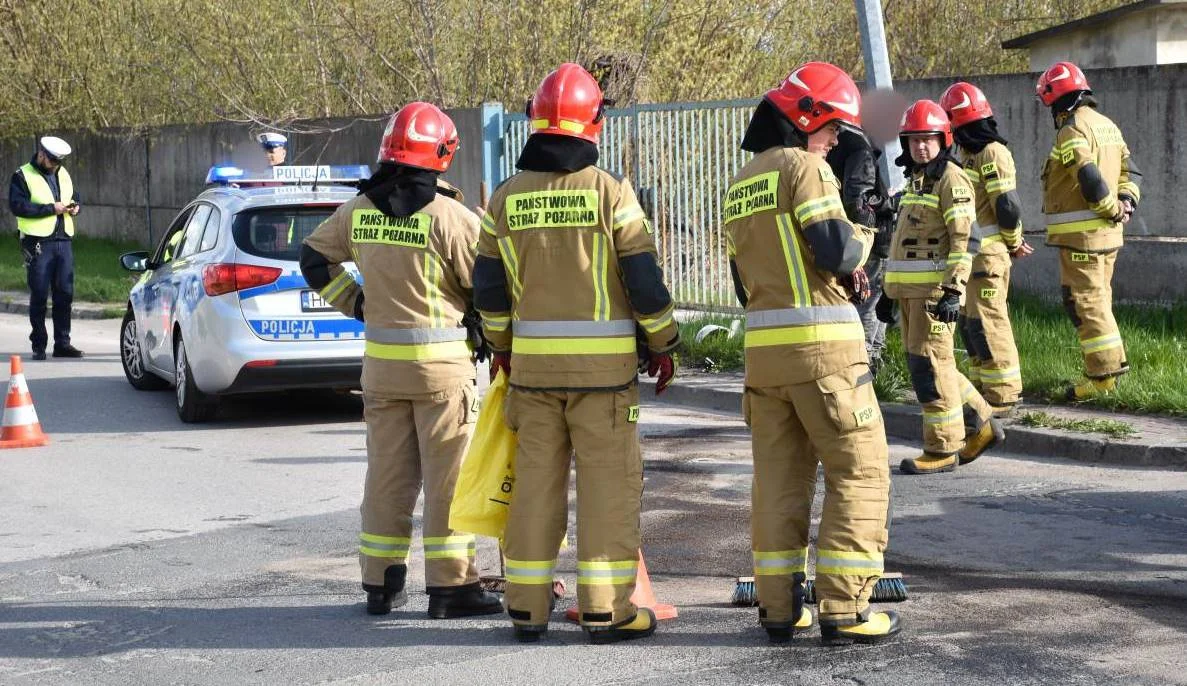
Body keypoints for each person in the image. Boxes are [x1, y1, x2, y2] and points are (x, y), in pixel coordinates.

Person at [473, 63, 679, 645]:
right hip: (605, 384)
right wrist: (664, 344)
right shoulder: (611, 193)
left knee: (534, 490)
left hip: (532, 379)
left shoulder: (506, 200)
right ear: (594, 125)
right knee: (607, 491)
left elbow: (487, 293)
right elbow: (644, 283)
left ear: (536, 124)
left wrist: (503, 349)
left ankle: (526, 609)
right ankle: (606, 612)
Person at [299, 102, 502, 620]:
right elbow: (487, 286)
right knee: (447, 480)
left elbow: (313, 259)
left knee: (387, 477)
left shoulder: (359, 210)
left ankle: (380, 583)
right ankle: (451, 588)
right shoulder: (452, 217)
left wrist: (358, 303)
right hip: (443, 371)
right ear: (441, 153)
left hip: (382, 370)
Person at [726, 61, 899, 646]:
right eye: (831, 130)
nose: (834, 143)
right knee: (861, 473)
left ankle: (779, 609)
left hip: (765, 364)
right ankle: (846, 609)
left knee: (778, 485)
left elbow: (748, 276)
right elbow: (837, 251)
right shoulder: (805, 169)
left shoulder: (743, 181)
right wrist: (871, 230)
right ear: (805, 120)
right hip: (825, 359)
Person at [879, 100, 1004, 475]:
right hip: (910, 295)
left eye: (929, 139)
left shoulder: (952, 178)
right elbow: (905, 243)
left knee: (929, 368)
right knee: (937, 364)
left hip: (935, 295)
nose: (921, 146)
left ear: (943, 139)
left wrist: (953, 291)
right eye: (914, 139)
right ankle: (981, 423)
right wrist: (889, 294)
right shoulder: (918, 179)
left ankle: (943, 448)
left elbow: (965, 241)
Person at [1035, 62, 1141, 401]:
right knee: (1100, 300)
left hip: (1084, 238)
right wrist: (1126, 203)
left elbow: (1089, 177)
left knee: (1085, 303)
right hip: (1108, 236)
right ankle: (1109, 372)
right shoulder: (1107, 125)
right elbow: (1131, 172)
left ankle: (1103, 379)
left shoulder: (1072, 130)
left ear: (1055, 100)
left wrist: (1110, 208)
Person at [940, 82, 1031, 415]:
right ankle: (984, 387)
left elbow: (1007, 206)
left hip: (988, 256)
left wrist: (1014, 242)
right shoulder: (967, 154)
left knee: (989, 323)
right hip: (970, 259)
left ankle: (1004, 394)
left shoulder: (991, 152)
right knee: (971, 325)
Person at [826, 127, 895, 376]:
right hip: (870, 240)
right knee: (868, 302)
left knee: (870, 301)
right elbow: (859, 202)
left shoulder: (835, 146)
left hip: (857, 239)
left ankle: (873, 361)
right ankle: (867, 363)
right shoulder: (858, 148)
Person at [9, 136, 83, 360]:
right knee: (40, 295)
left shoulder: (62, 172)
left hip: (63, 240)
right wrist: (52, 209)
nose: (54, 166)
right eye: (52, 162)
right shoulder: (22, 176)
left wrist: (76, 206)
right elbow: (18, 206)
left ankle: (62, 343)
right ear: (41, 154)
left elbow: (74, 194)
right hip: (38, 243)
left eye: (58, 163)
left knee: (65, 294)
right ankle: (39, 345)